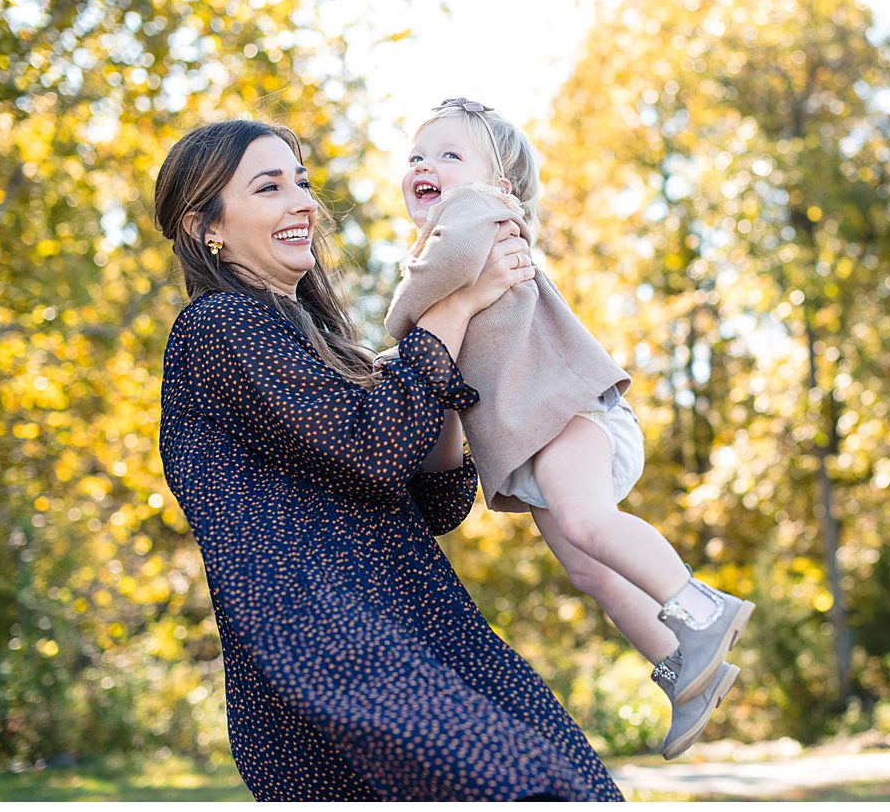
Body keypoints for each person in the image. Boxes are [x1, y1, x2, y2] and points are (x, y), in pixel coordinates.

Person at [154, 119, 621, 801]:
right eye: (270, 187)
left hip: (425, 634)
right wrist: (455, 301)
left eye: (303, 183)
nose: (303, 203)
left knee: (572, 785)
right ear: (206, 228)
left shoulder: (326, 350)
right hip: (335, 659)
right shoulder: (218, 328)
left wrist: (453, 345)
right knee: (533, 787)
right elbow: (371, 449)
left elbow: (436, 499)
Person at [382, 98, 750, 758]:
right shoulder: (452, 246)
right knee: (589, 567)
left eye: (447, 155)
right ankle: (684, 669)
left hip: (573, 418)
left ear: (501, 186)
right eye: (415, 156)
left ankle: (700, 606)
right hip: (541, 436)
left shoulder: (474, 219)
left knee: (585, 524)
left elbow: (424, 301)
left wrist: (395, 329)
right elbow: (430, 352)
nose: (424, 166)